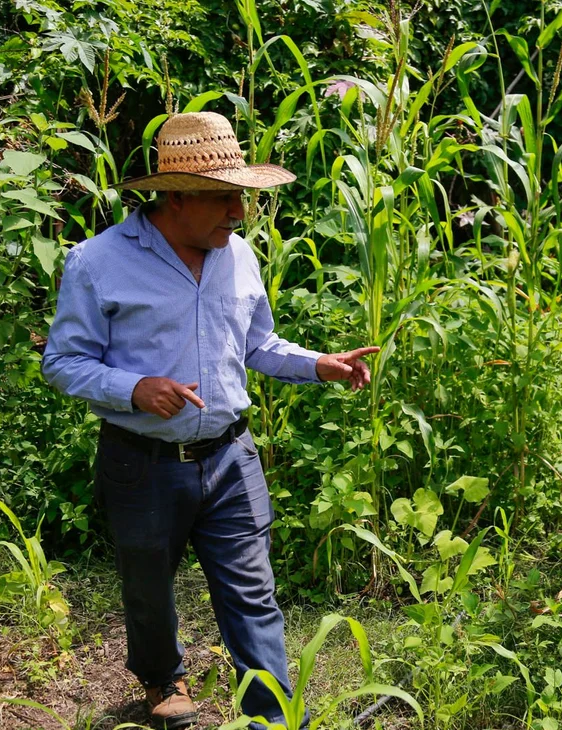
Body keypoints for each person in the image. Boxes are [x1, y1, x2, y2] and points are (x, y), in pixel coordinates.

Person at [42, 111, 377, 730]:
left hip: (231, 456)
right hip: (140, 462)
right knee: (148, 590)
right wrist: (135, 388)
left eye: (241, 197)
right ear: (174, 197)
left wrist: (318, 364)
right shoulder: (98, 263)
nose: (239, 213)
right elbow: (63, 361)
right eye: (224, 199)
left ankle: (272, 717)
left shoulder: (239, 256)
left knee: (254, 595)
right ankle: (162, 678)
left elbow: (257, 345)